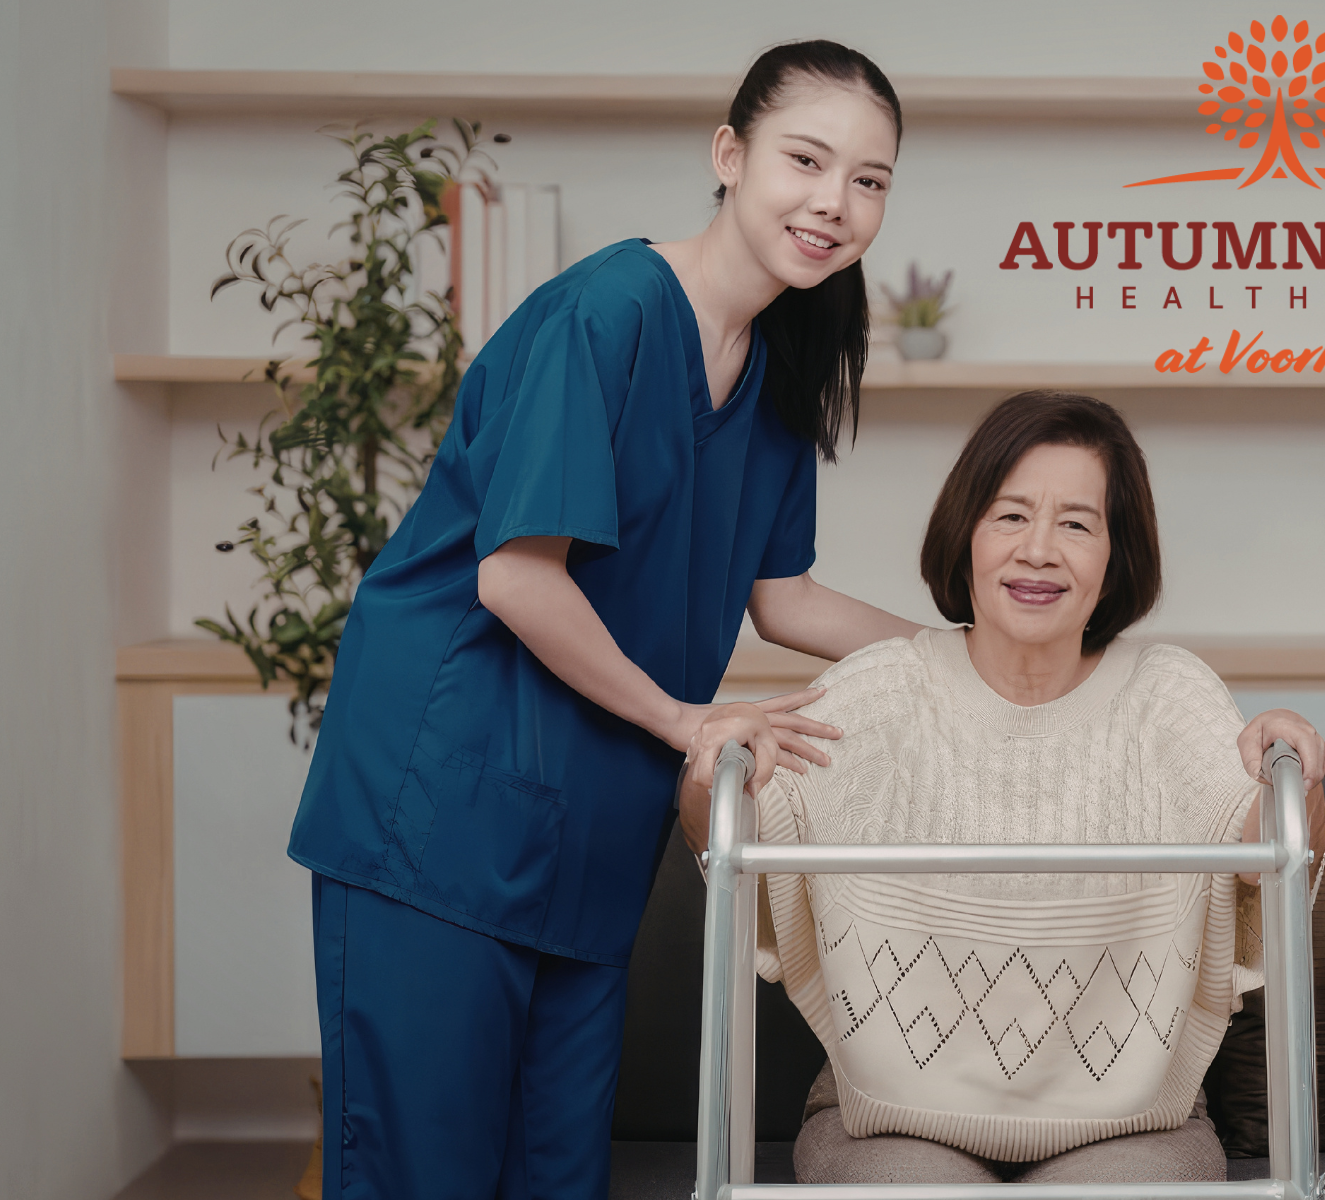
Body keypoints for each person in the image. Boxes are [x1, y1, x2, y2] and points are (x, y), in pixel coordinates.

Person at [287, 41, 924, 1200]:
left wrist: (974, 661)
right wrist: (687, 719)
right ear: (728, 155)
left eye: (870, 179)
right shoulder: (609, 315)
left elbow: (785, 601)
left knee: (556, 1174)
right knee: (425, 1172)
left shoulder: (780, 366)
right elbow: (515, 580)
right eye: (807, 159)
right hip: (439, 811)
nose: (835, 202)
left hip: (586, 834)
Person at [679, 391, 1325, 1185]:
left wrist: (1293, 769)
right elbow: (738, 839)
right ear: (966, 538)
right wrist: (711, 767)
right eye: (1011, 516)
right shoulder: (881, 688)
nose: (1039, 551)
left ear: (1116, 558)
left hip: (1130, 1123)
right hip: (890, 1117)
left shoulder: (1169, 693)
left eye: (1077, 524)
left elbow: (1269, 854)